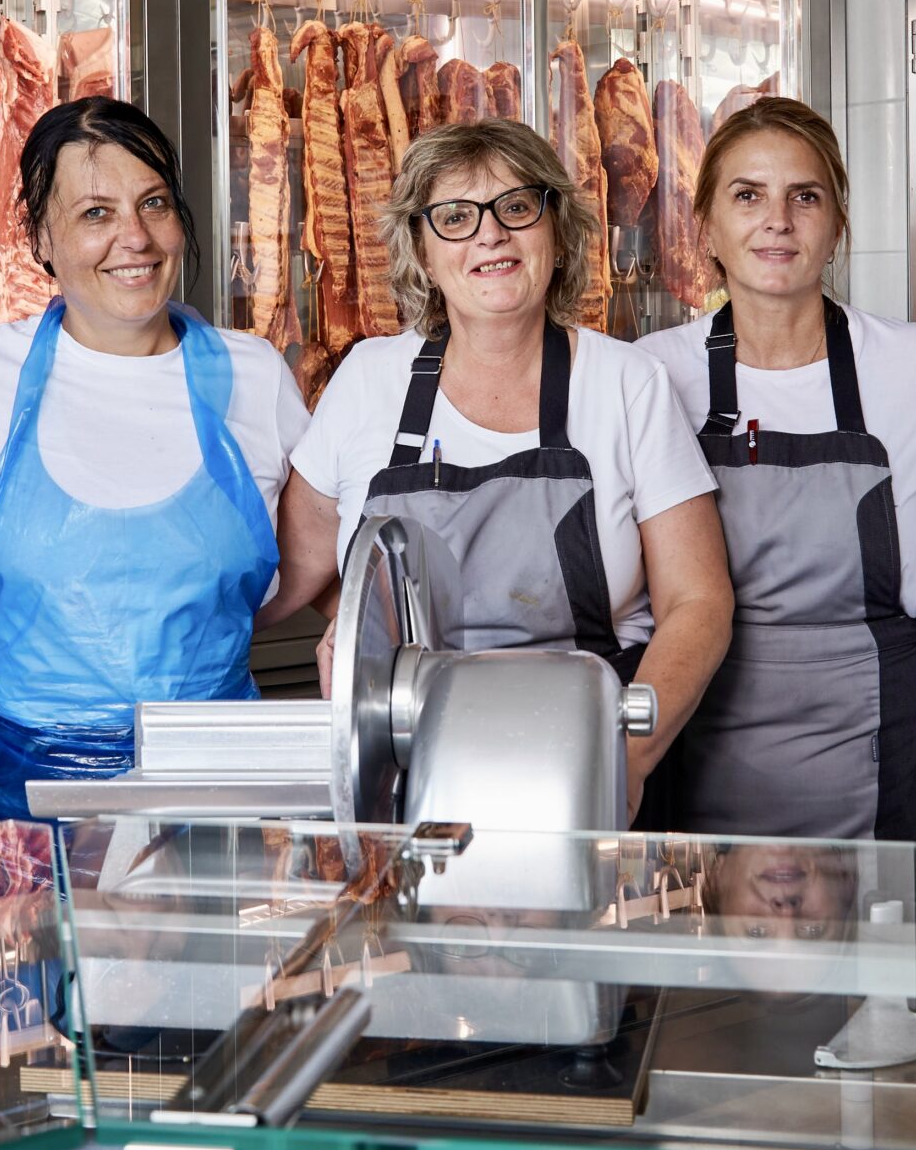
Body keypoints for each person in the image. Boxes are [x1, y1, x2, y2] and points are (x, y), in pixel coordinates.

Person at [272, 119, 733, 820]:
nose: (490, 235)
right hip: (404, 778)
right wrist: (363, 634)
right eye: (454, 217)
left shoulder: (625, 383)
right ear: (422, 250)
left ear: (555, 228)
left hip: (589, 766)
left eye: (516, 207)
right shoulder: (368, 380)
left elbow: (699, 603)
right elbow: (294, 570)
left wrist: (623, 758)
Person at [0, 98, 305, 829]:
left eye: (154, 203)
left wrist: (199, 630)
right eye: (96, 212)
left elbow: (309, 566)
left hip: (216, 788)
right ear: (41, 235)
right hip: (16, 802)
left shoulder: (256, 376)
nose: (135, 237)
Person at [638, 97, 916, 842]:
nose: (777, 220)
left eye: (803, 196)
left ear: (837, 223)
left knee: (884, 949)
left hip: (880, 746)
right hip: (695, 739)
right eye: (748, 195)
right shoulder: (653, 376)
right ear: (705, 224)